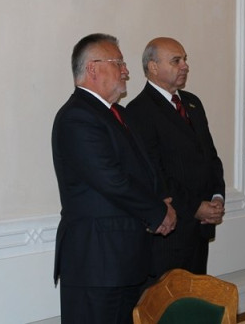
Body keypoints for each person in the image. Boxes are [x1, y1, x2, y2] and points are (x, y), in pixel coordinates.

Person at [51, 33, 177, 324]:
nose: (126, 71)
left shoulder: (119, 114)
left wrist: (162, 200)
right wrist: (157, 212)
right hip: (97, 262)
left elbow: (145, 169)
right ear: (92, 68)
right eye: (118, 63)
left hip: (126, 259)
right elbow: (112, 180)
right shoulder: (76, 116)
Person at [126, 36, 225, 276]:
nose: (185, 66)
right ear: (153, 67)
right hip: (170, 233)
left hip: (200, 229)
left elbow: (210, 156)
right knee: (170, 298)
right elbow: (154, 173)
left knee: (197, 295)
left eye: (184, 60)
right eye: (176, 61)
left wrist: (217, 197)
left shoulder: (192, 103)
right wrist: (195, 207)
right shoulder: (139, 110)